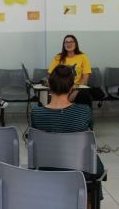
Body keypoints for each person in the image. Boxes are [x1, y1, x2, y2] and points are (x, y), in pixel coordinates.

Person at [31, 65, 104, 200]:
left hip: (47, 166)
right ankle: (87, 203)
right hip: (78, 168)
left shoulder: (37, 113)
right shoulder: (84, 111)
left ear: (49, 87)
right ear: (72, 88)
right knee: (94, 166)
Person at [48, 35, 92, 107]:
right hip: (61, 88)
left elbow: (85, 79)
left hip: (77, 88)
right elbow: (50, 76)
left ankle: (83, 117)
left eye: (71, 42)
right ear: (63, 45)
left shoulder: (83, 57)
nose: (69, 44)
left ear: (76, 44)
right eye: (66, 42)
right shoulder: (58, 57)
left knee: (84, 95)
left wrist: (75, 92)